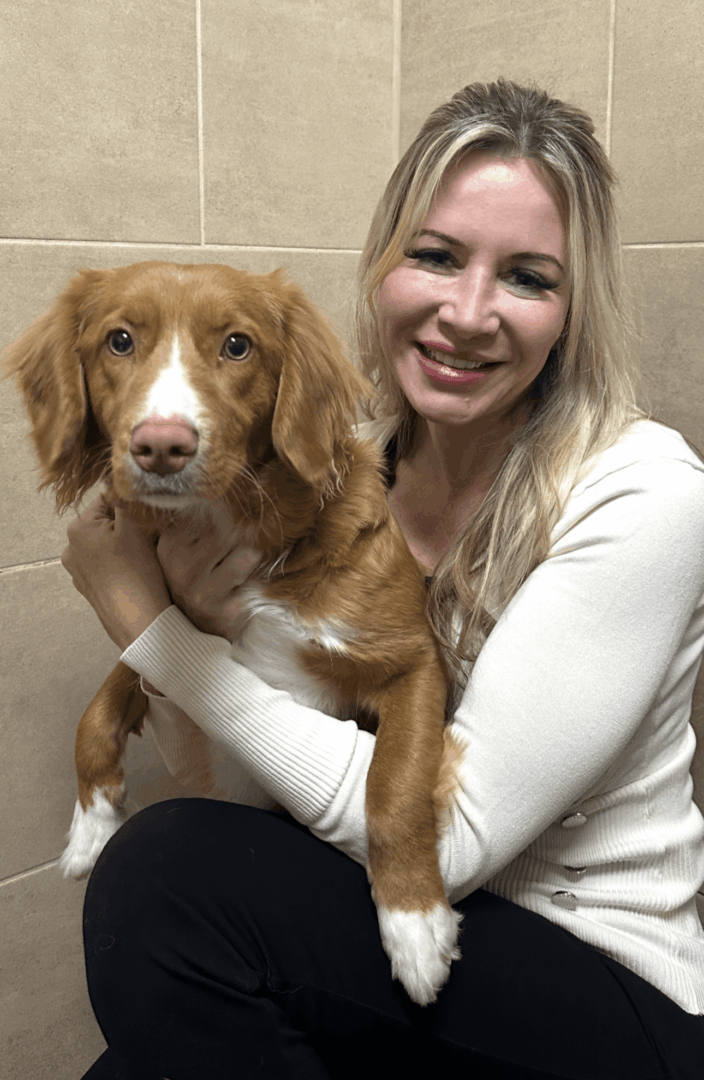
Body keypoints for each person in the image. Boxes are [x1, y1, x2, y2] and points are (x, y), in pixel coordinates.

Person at [64, 80, 704, 1079]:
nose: (468, 314)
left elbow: (455, 845)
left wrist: (158, 639)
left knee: (162, 876)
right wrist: (203, 622)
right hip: (394, 929)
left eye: (527, 277)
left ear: (572, 312)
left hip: (601, 982)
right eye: (436, 257)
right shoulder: (341, 468)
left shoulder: (647, 492)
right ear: (383, 267)